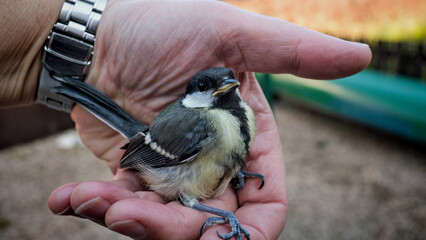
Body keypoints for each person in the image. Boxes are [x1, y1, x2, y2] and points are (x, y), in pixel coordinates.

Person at [0, 0, 371, 239]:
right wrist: (228, 216)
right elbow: (146, 155)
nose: (223, 88)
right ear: (193, 94)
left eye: (227, 82)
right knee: (194, 206)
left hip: (168, 140)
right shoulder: (199, 125)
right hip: (160, 164)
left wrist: (234, 167)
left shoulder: (242, 114)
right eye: (209, 86)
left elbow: (230, 146)